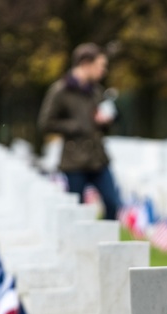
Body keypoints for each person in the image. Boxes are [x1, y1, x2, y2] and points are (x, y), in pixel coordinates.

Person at [38, 43, 121, 220]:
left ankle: (104, 243)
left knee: (113, 203)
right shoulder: (60, 91)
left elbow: (102, 123)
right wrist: (75, 126)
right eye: (100, 66)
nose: (103, 71)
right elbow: (45, 123)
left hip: (98, 158)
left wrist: (104, 121)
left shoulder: (96, 91)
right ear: (85, 64)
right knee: (77, 213)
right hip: (74, 161)